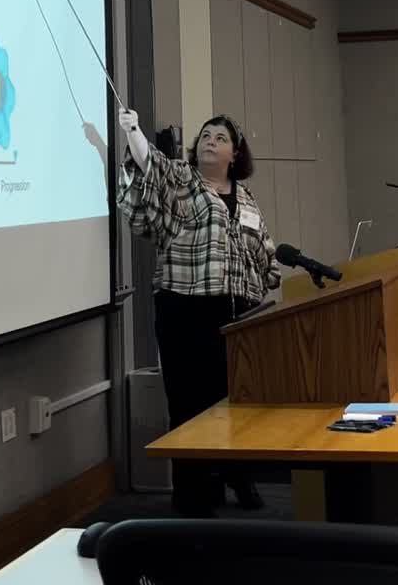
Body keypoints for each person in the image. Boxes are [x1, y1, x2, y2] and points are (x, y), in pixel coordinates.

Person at [116, 107, 278, 517]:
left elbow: (264, 248)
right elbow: (149, 162)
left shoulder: (247, 198)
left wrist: (271, 269)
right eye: (206, 135)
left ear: (235, 153)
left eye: (220, 137)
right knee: (190, 406)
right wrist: (132, 130)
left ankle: (235, 474)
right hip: (185, 309)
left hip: (239, 311)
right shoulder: (182, 180)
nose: (210, 140)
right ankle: (192, 495)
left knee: (233, 401)